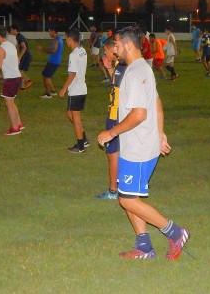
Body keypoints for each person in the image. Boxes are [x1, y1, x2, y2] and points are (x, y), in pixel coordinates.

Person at [97, 26, 190, 260]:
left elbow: (139, 114)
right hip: (138, 144)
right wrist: (161, 133)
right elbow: (156, 102)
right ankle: (145, 248)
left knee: (126, 199)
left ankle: (175, 232)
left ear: (128, 45)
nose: (114, 49)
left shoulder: (136, 72)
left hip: (138, 147)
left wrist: (111, 133)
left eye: (116, 45)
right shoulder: (140, 69)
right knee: (129, 197)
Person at [96, 36, 126, 200]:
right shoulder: (119, 66)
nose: (107, 54)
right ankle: (125, 183)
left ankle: (113, 190)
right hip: (119, 115)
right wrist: (108, 68)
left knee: (112, 154)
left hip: (116, 116)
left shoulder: (122, 67)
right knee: (121, 152)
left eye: (107, 51)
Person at [58, 29, 89, 153]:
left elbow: (73, 74)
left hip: (76, 90)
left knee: (75, 118)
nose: (66, 41)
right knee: (70, 114)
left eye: (67, 39)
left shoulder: (74, 54)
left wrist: (63, 88)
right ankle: (84, 139)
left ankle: (80, 145)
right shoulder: (82, 51)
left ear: (71, 39)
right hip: (82, 88)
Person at [37, 27, 64, 98]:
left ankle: (48, 94)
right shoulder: (58, 39)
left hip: (53, 61)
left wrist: (42, 49)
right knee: (47, 75)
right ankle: (52, 91)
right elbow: (53, 50)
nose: (49, 33)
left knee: (45, 76)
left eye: (50, 32)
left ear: (53, 31)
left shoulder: (56, 40)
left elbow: (54, 50)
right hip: (53, 61)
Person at [9, 25, 33, 91]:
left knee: (19, 70)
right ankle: (22, 87)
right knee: (20, 70)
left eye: (11, 30)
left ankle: (28, 80)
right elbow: (17, 47)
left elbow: (24, 47)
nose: (10, 31)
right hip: (24, 56)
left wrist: (19, 57)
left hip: (25, 56)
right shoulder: (17, 37)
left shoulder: (20, 37)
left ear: (15, 30)